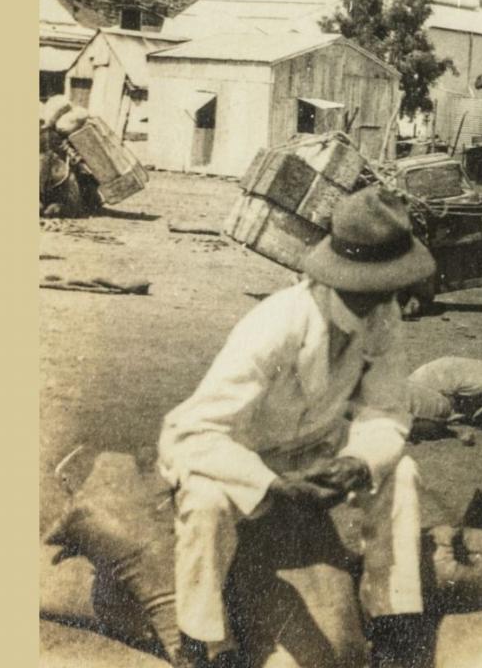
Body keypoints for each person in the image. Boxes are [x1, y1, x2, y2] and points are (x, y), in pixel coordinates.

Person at [157, 185, 435, 666]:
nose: (396, 292)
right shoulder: (279, 322)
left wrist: (358, 461)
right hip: (240, 455)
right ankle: (199, 643)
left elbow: (387, 412)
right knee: (204, 503)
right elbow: (192, 431)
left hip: (314, 452)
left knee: (401, 472)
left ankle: (394, 625)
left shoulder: (383, 317)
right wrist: (268, 484)